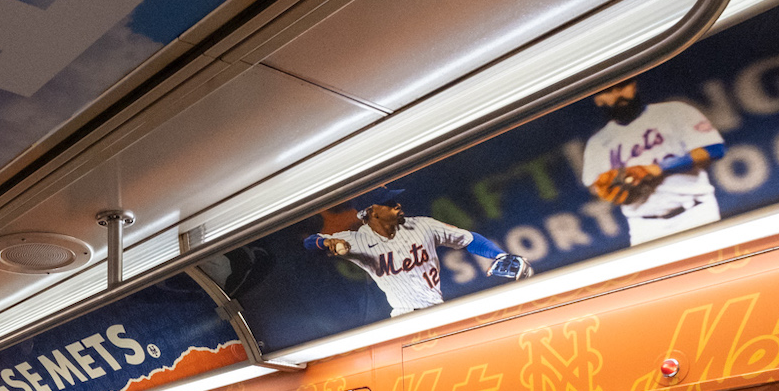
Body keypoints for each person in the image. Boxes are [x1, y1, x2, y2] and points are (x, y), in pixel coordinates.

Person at [302, 186, 530, 313]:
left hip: (437, 310)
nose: (397, 205)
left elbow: (468, 239)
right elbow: (309, 242)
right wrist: (325, 242)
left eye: (396, 202)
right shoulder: (356, 240)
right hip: (405, 318)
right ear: (371, 213)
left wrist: (500, 255)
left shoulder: (422, 225)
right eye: (389, 204)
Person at [582, 79, 728, 244]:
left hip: (696, 212)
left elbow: (715, 149)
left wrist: (659, 168)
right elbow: (595, 187)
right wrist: (611, 190)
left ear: (634, 85)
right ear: (598, 99)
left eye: (622, 87)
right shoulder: (597, 143)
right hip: (645, 226)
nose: (618, 94)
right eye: (608, 91)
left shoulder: (674, 111)